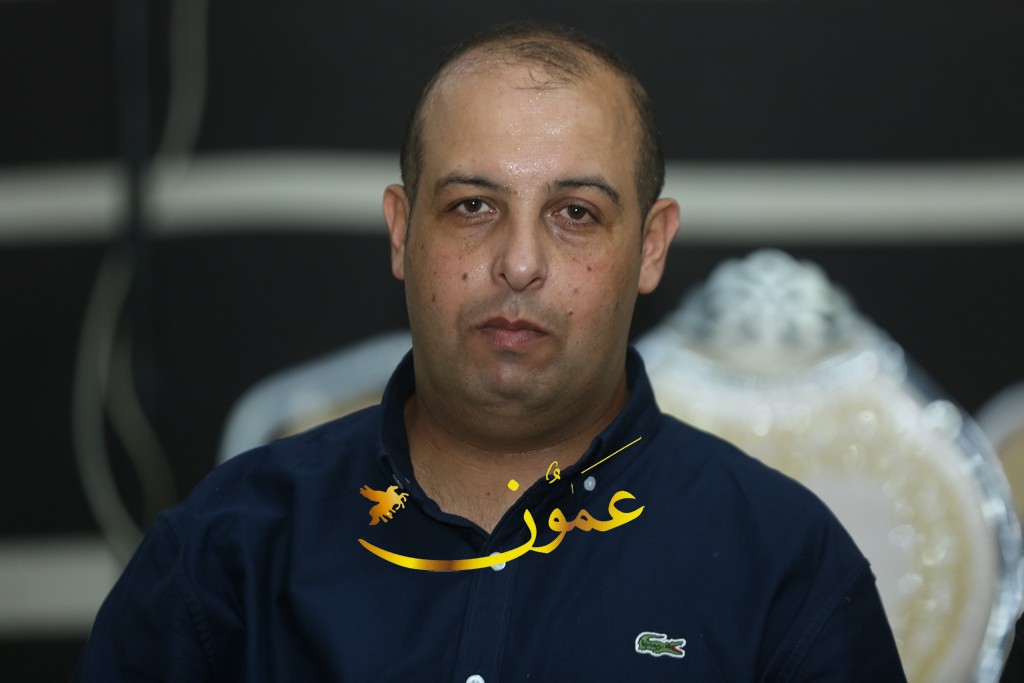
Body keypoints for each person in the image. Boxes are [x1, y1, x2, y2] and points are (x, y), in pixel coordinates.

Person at [74, 22, 907, 682]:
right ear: (402, 231)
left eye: (575, 213)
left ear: (650, 247)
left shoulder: (783, 564)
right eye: (473, 205)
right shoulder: (228, 551)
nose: (519, 262)